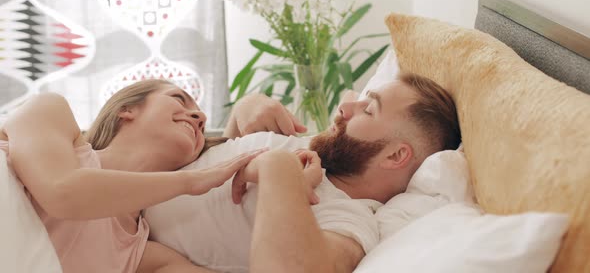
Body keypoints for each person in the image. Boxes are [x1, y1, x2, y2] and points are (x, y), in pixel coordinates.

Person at [146, 73, 461, 273]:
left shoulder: (349, 219)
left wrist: (276, 170)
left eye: (368, 109)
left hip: (124, 249)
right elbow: (218, 171)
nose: (344, 107)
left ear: (395, 155)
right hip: (122, 192)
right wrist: (243, 110)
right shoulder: (311, 148)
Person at [0, 79, 274, 273]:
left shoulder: (141, 256)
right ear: (126, 109)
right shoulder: (50, 112)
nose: (199, 116)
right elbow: (63, 193)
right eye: (178, 98)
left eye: (202, 123)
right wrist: (193, 182)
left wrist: (281, 176)